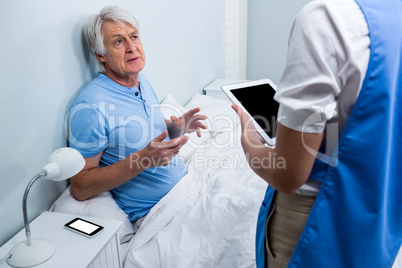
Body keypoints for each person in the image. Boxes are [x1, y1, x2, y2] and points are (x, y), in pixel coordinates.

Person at [232, 0, 402, 267]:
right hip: (381, 217)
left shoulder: (326, 18)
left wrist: (249, 139)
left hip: (319, 220)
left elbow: (287, 175)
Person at [68, 6, 207, 226]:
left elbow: (141, 136)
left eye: (134, 37)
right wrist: (143, 160)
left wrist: (177, 128)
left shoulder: (140, 81)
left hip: (187, 189)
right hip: (159, 213)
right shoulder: (91, 107)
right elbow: (80, 187)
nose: (133, 48)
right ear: (100, 55)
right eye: (118, 42)